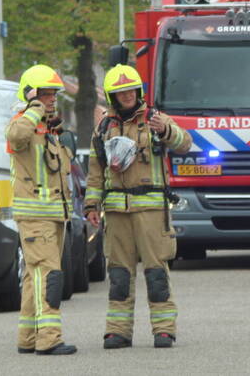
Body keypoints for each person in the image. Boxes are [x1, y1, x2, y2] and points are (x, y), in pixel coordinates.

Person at [85, 64, 192, 349]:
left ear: (139, 91)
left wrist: (167, 130)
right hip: (118, 213)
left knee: (157, 273)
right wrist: (91, 204)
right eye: (121, 92)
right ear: (112, 96)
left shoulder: (155, 119)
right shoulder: (104, 127)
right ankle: (118, 331)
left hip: (152, 213)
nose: (127, 95)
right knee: (119, 274)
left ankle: (164, 330)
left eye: (131, 89)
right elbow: (96, 170)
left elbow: (186, 144)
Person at [6, 65, 77, 356]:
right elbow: (15, 137)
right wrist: (34, 107)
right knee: (49, 275)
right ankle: (49, 339)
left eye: (53, 94)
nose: (51, 100)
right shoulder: (24, 121)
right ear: (30, 95)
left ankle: (28, 337)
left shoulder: (49, 129)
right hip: (36, 215)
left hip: (51, 214)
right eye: (45, 94)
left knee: (33, 277)